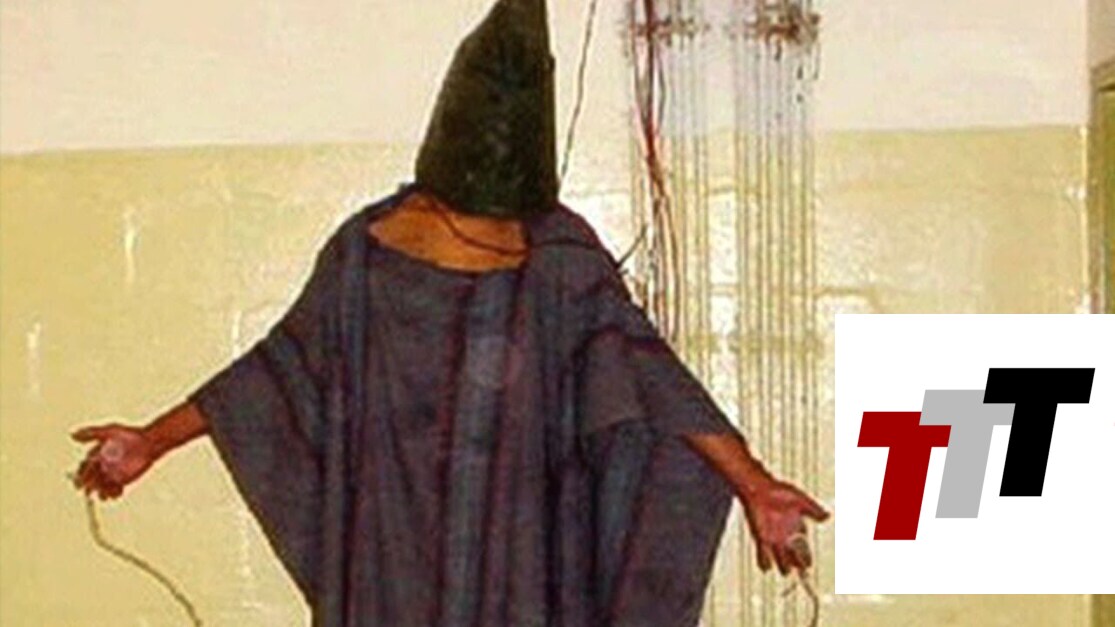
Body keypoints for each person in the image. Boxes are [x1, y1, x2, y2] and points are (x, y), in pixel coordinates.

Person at [71, 0, 828, 625]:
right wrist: (150, 441)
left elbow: (652, 376)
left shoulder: (559, 259)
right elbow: (272, 375)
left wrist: (753, 483)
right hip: (387, 575)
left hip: (524, 572)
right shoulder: (364, 258)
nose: (484, 232)